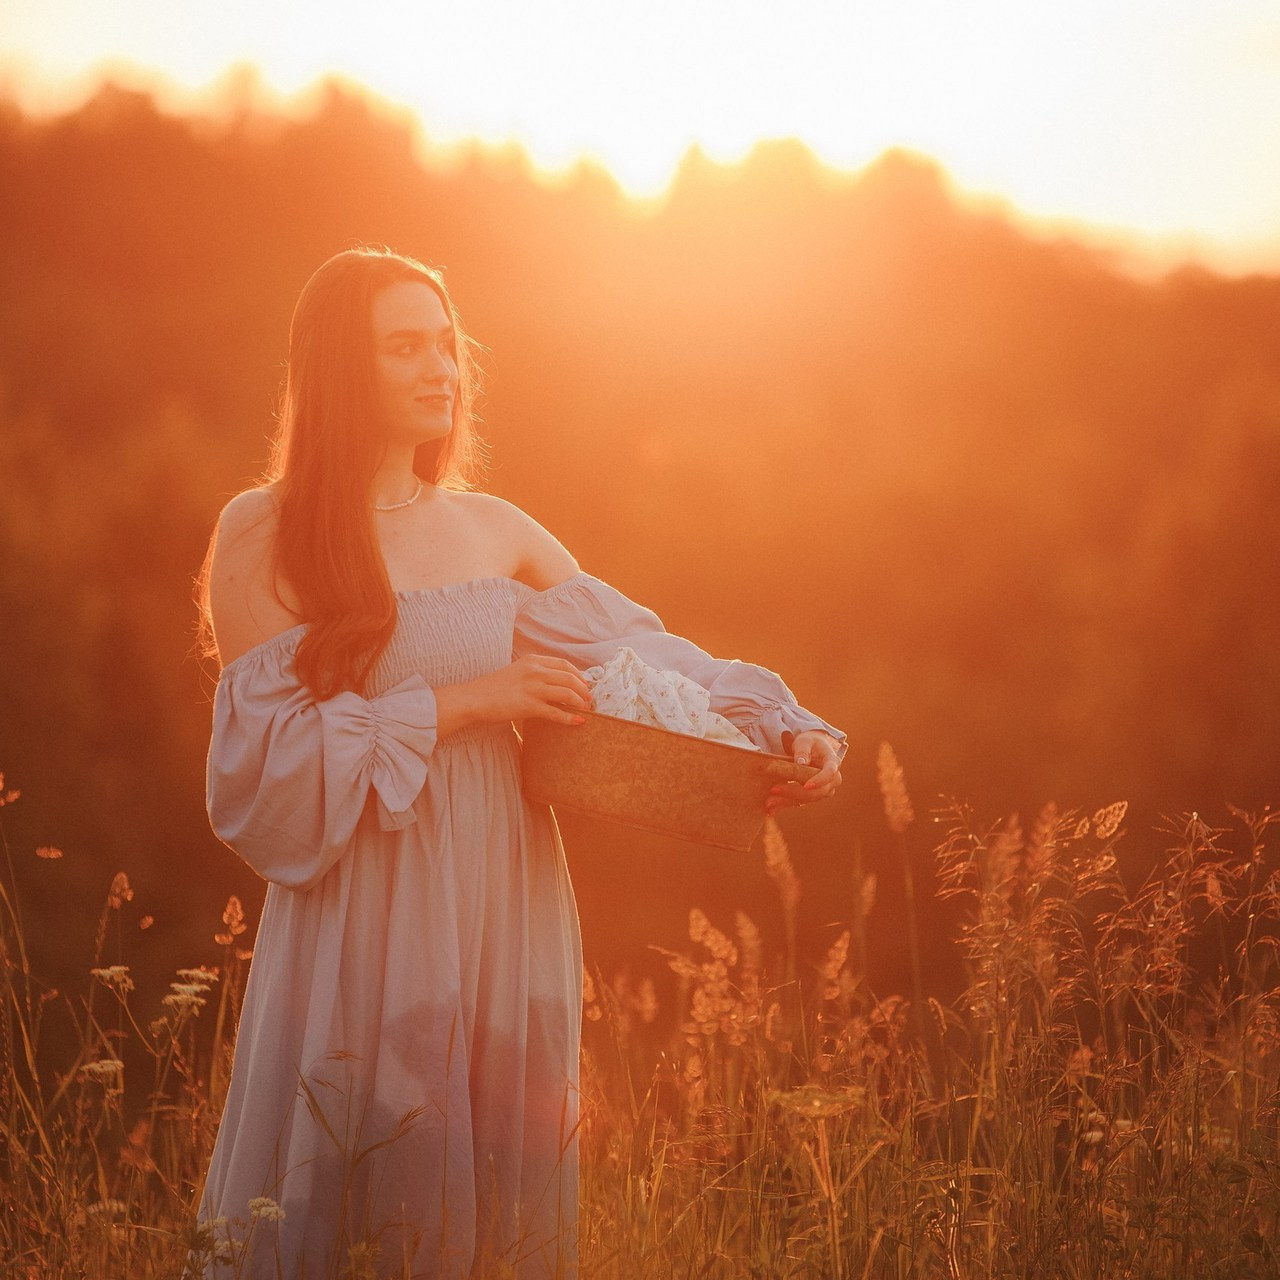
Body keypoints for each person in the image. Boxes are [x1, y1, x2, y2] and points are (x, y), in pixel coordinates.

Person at [196, 245, 846, 1278]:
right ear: (333, 368)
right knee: (355, 1168)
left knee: (491, 1183)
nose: (437, 368)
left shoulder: (496, 532)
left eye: (445, 344)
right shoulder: (263, 531)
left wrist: (782, 723)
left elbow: (649, 659)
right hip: (361, 894)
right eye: (402, 346)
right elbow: (262, 773)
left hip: (501, 889)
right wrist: (470, 700)